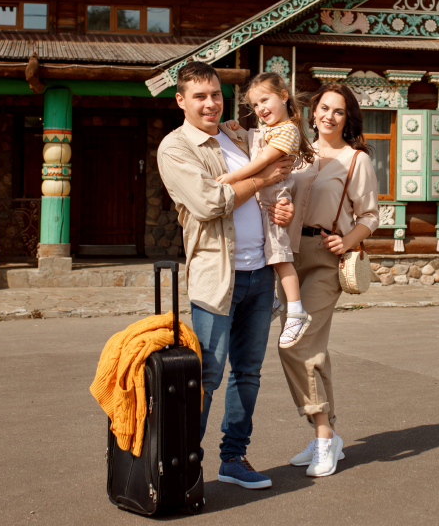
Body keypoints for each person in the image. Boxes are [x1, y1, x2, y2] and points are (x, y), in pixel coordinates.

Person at [155, 61, 293, 491]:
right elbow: (210, 202)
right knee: (207, 376)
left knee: (248, 373)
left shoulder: (236, 136)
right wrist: (263, 179)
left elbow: (279, 164)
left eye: (215, 94)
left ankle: (233, 458)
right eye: (200, 96)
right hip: (217, 277)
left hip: (259, 272)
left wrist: (281, 205)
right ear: (181, 101)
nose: (210, 103)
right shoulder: (176, 147)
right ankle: (183, 467)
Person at [278, 83, 379, 478]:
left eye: (338, 111)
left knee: (296, 343)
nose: (329, 116)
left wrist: (348, 239)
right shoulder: (298, 155)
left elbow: (370, 215)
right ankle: (327, 434)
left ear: (347, 118)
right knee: (310, 347)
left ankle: (323, 435)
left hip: (324, 258)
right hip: (288, 258)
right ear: (313, 112)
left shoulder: (356, 160)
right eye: (324, 108)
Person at [217, 72, 316, 349]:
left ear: (283, 96)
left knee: (279, 255)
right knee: (266, 252)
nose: (260, 108)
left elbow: (261, 161)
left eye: (265, 100)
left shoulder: (288, 130)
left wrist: (232, 178)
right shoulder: (267, 130)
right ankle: (272, 300)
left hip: (273, 201)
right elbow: (251, 145)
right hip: (261, 201)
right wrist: (234, 129)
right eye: (255, 105)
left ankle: (295, 311)